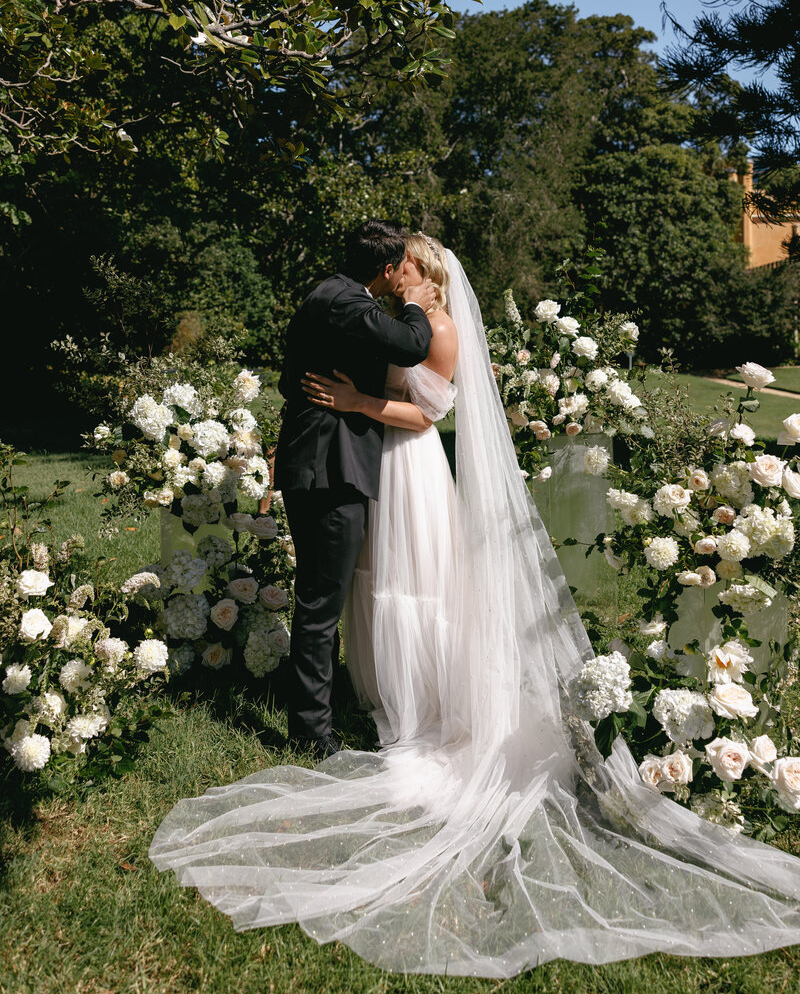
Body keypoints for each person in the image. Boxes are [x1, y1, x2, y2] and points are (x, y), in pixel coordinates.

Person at [151, 237, 800, 978]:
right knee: (367, 586)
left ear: (427, 274)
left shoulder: (440, 325)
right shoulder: (384, 314)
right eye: (397, 265)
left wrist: (363, 399)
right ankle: (372, 689)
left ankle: (418, 696)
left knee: (413, 586)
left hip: (410, 466)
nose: (400, 274)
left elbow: (428, 414)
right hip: (369, 466)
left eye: (411, 266)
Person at [272, 219, 436, 759]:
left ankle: (320, 704)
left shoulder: (332, 293)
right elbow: (412, 343)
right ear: (388, 270)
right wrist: (415, 300)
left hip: (318, 462)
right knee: (321, 601)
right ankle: (312, 735)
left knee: (323, 594)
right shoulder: (345, 301)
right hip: (327, 468)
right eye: (399, 274)